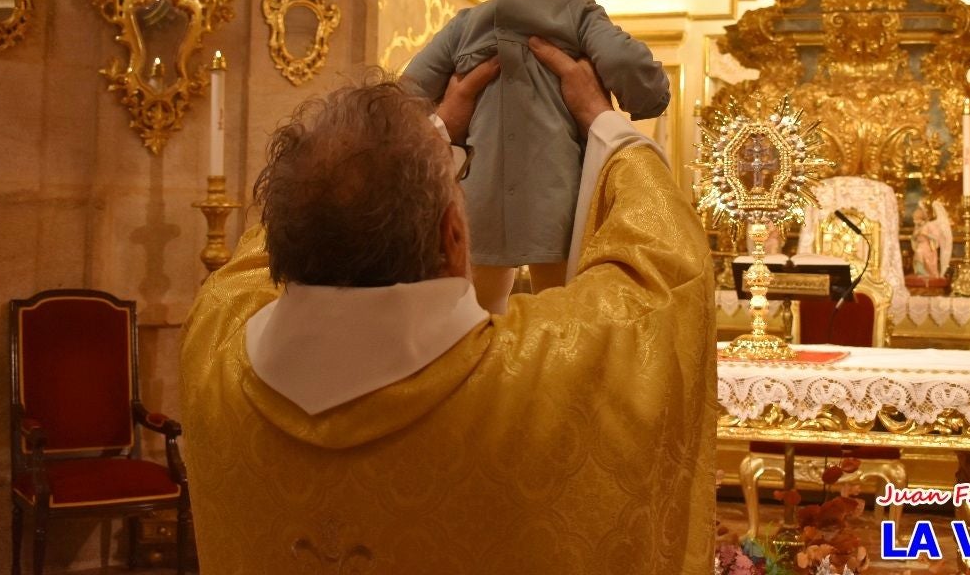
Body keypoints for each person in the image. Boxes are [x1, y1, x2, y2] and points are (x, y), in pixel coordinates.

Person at [179, 39, 716, 575]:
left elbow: (285, 229)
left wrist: (429, 134)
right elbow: (664, 273)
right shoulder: (551, 371)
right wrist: (608, 127)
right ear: (454, 235)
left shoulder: (214, 344)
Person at [404, 0, 670, 313]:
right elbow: (624, 63)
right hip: (558, 197)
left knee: (476, 318)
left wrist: (445, 115)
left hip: (480, 198)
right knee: (563, 315)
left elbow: (407, 91)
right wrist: (649, 98)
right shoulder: (578, 13)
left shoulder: (466, 23)